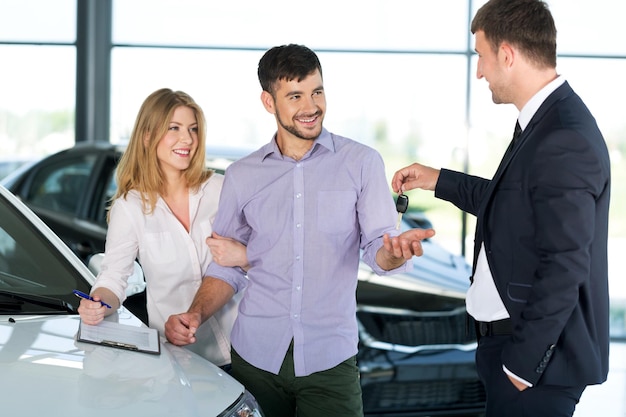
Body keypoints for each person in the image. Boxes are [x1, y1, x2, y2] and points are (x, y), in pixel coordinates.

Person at [164, 44, 435, 417]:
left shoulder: (361, 163)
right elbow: (225, 265)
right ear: (268, 101)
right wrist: (194, 314)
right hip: (256, 359)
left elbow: (378, 247)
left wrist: (394, 252)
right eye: (295, 95)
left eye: (317, 91)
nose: (311, 107)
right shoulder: (242, 175)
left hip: (330, 361)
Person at [391, 1, 611, 416]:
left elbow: (565, 264)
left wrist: (521, 365)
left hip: (537, 368)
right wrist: (437, 179)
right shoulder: (545, 122)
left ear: (507, 54)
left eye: (482, 56)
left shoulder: (563, 136)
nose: (479, 71)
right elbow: (511, 203)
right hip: (513, 352)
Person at [77, 88, 248, 368]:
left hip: (247, 349)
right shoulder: (130, 207)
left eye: (193, 129)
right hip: (184, 359)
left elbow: (254, 259)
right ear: (147, 136)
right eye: (174, 128)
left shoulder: (221, 189)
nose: (187, 139)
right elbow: (113, 277)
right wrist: (98, 303)